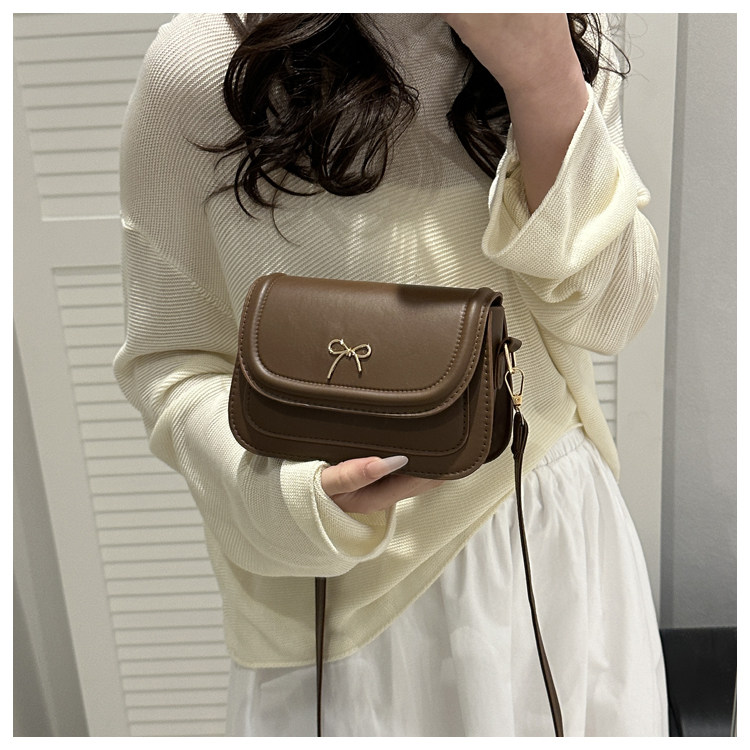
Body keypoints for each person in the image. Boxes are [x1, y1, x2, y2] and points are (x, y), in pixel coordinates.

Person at [114, 12, 668, 737]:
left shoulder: (553, 22)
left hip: (545, 533)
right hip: (342, 594)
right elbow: (170, 358)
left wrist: (545, 81)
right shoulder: (207, 59)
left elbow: (613, 316)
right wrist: (296, 500)